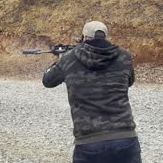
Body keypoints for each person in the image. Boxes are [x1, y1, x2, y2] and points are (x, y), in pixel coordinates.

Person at [43, 21, 141, 163]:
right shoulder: (124, 56)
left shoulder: (69, 59)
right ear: (105, 36)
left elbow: (48, 80)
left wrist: (60, 58)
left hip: (88, 140)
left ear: (84, 37)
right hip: (125, 137)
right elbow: (129, 81)